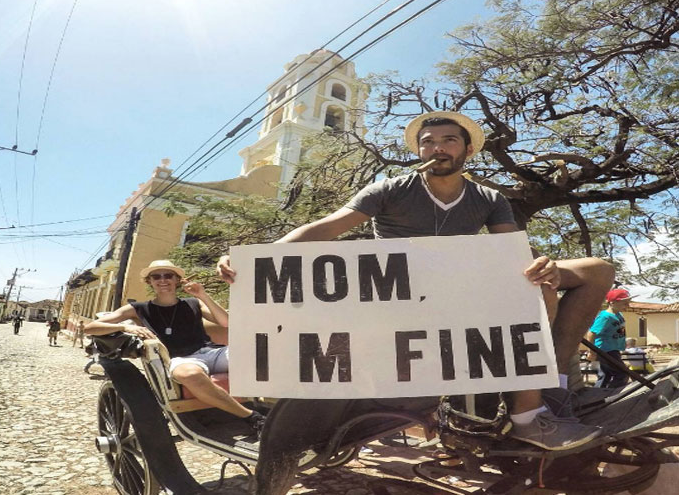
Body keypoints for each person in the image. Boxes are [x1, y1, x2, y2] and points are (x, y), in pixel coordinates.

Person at [217, 111, 615, 451]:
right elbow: (324, 228)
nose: (437, 148)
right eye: (428, 142)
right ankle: (530, 418)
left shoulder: (489, 198)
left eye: (448, 141)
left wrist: (540, 265)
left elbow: (512, 252)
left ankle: (557, 383)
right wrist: (255, 259)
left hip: (461, 290)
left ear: (467, 150)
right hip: (403, 304)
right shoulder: (388, 190)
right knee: (525, 296)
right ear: (418, 151)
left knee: (592, 271)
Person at [84, 260, 265, 438]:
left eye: (168, 275)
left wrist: (202, 295)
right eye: (156, 276)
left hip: (211, 352)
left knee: (261, 354)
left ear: (177, 279)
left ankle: (278, 407)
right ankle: (251, 417)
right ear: (150, 281)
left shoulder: (193, 303)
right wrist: (125, 327)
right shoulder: (139, 308)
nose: (163, 280)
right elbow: (90, 327)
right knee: (188, 375)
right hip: (180, 359)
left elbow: (226, 322)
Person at [586, 289, 633, 387]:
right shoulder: (605, 317)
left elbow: (620, 329)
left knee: (605, 374)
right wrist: (591, 352)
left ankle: (598, 395)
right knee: (622, 374)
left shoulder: (619, 315)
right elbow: (591, 333)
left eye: (628, 303)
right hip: (605, 350)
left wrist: (622, 343)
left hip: (613, 349)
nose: (627, 306)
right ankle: (611, 395)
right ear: (612, 302)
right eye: (624, 303)